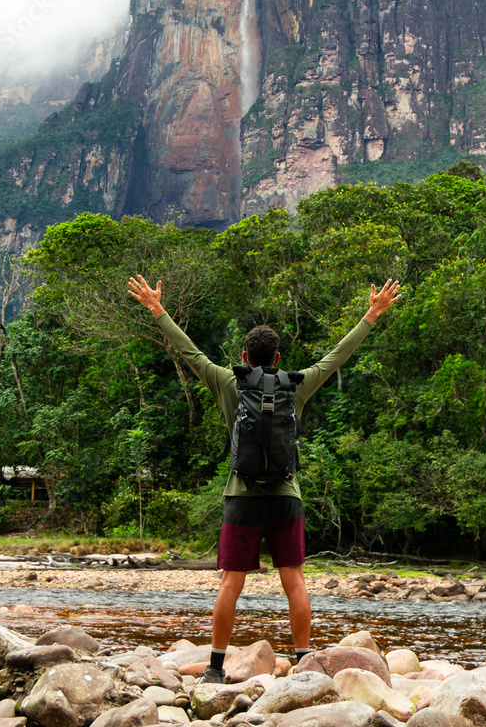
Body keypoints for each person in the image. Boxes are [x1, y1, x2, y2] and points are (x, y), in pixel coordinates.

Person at [127, 273, 401, 681]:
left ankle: (216, 669)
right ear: (277, 358)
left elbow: (190, 352)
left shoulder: (226, 380)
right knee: (293, 581)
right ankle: (306, 665)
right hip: (286, 497)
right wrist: (371, 314)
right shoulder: (298, 385)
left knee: (230, 583)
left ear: (244, 355)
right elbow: (338, 355)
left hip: (241, 496)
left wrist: (157, 309)